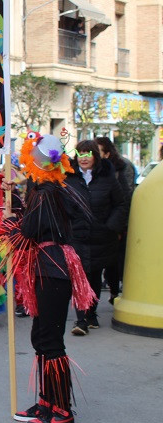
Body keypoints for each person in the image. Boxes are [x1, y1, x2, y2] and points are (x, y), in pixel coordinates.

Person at [7, 132, 97, 423]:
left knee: (49, 338)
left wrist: (10, 226)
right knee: (41, 336)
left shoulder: (48, 193)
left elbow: (29, 231)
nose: (26, 155)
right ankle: (46, 401)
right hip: (49, 267)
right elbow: (35, 222)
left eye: (30, 152)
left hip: (52, 269)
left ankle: (62, 411)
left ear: (40, 160)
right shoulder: (48, 189)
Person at [67, 140, 128, 334]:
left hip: (101, 237)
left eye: (88, 153)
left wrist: (111, 226)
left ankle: (91, 314)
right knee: (79, 277)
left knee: (93, 276)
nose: (83, 157)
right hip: (77, 237)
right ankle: (81, 320)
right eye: (80, 153)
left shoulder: (108, 179)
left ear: (96, 156)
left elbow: (121, 204)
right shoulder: (69, 178)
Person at [94, 136, 133, 302]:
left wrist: (116, 226)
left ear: (107, 154)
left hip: (113, 225)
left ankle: (115, 291)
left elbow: (124, 200)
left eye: (97, 152)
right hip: (95, 227)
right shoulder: (87, 172)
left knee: (115, 261)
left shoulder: (121, 169)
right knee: (98, 266)